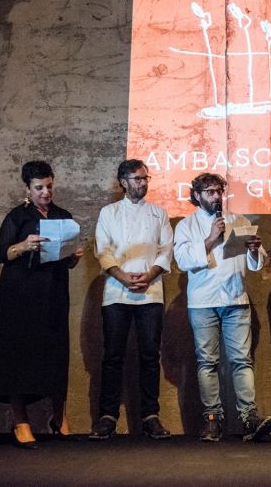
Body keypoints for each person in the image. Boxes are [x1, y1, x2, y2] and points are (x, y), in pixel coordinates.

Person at [0, 160, 84, 449]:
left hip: (52, 293)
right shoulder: (18, 216)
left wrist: (75, 256)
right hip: (20, 294)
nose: (45, 192)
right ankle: (20, 420)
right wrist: (23, 246)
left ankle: (59, 417)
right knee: (18, 353)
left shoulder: (63, 216)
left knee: (54, 351)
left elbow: (67, 262)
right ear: (28, 188)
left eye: (49, 186)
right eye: (39, 187)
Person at [174, 173, 271, 442]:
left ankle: (249, 418)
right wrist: (210, 239)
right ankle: (212, 419)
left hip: (236, 300)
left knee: (242, 361)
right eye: (209, 192)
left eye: (219, 191)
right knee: (207, 362)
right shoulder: (186, 225)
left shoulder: (238, 221)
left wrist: (255, 250)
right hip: (203, 302)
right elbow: (183, 261)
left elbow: (255, 264)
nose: (216, 196)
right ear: (196, 195)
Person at [90, 159, 173, 440]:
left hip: (150, 293)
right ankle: (107, 416)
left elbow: (166, 250)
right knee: (113, 356)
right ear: (123, 182)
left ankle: (150, 416)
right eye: (138, 178)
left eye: (145, 178)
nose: (143, 183)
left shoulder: (158, 213)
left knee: (150, 356)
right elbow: (103, 250)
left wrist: (149, 275)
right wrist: (122, 276)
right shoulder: (109, 213)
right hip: (116, 292)